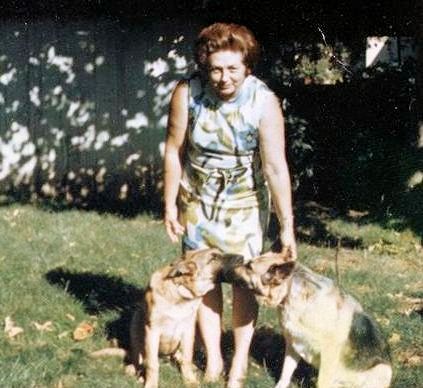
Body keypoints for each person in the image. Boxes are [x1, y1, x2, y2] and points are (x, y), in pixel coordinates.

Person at [163, 22, 296, 387]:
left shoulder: (264, 102)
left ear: (247, 67)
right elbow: (174, 151)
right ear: (205, 65)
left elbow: (275, 167)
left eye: (233, 68)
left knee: (242, 283)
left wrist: (286, 226)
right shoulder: (187, 93)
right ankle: (214, 361)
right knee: (204, 281)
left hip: (245, 206)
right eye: (216, 68)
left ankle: (239, 362)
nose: (224, 78)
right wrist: (170, 205)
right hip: (198, 202)